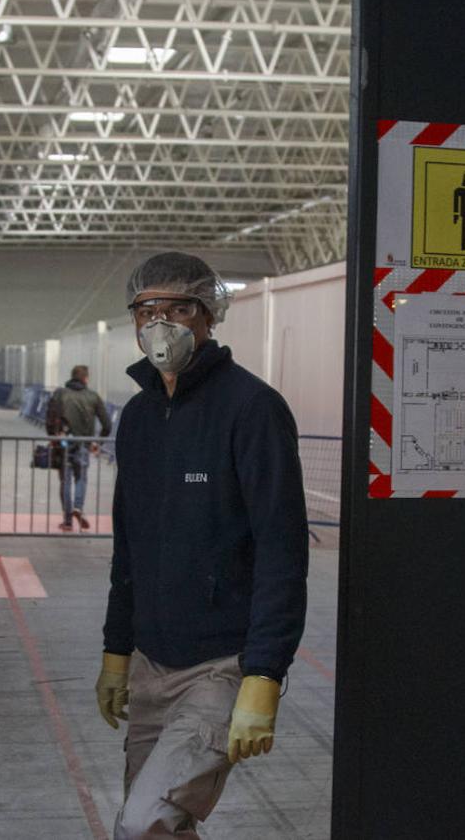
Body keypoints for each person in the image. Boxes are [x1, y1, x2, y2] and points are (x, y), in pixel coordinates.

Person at [95, 252, 310, 838]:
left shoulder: (252, 410)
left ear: (209, 315)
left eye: (180, 307)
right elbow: (129, 548)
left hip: (221, 666)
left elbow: (281, 552)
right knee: (162, 827)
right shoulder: (138, 417)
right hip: (151, 663)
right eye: (148, 308)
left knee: (144, 824)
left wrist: (263, 675)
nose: (161, 322)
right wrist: (118, 653)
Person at [46, 364, 112, 531]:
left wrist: (53, 436)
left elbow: (50, 416)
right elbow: (107, 424)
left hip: (63, 445)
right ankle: (78, 507)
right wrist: (98, 442)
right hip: (84, 445)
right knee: (81, 478)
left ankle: (67, 521)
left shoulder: (60, 394)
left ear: (72, 376)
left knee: (65, 481)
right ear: (85, 378)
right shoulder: (93, 397)